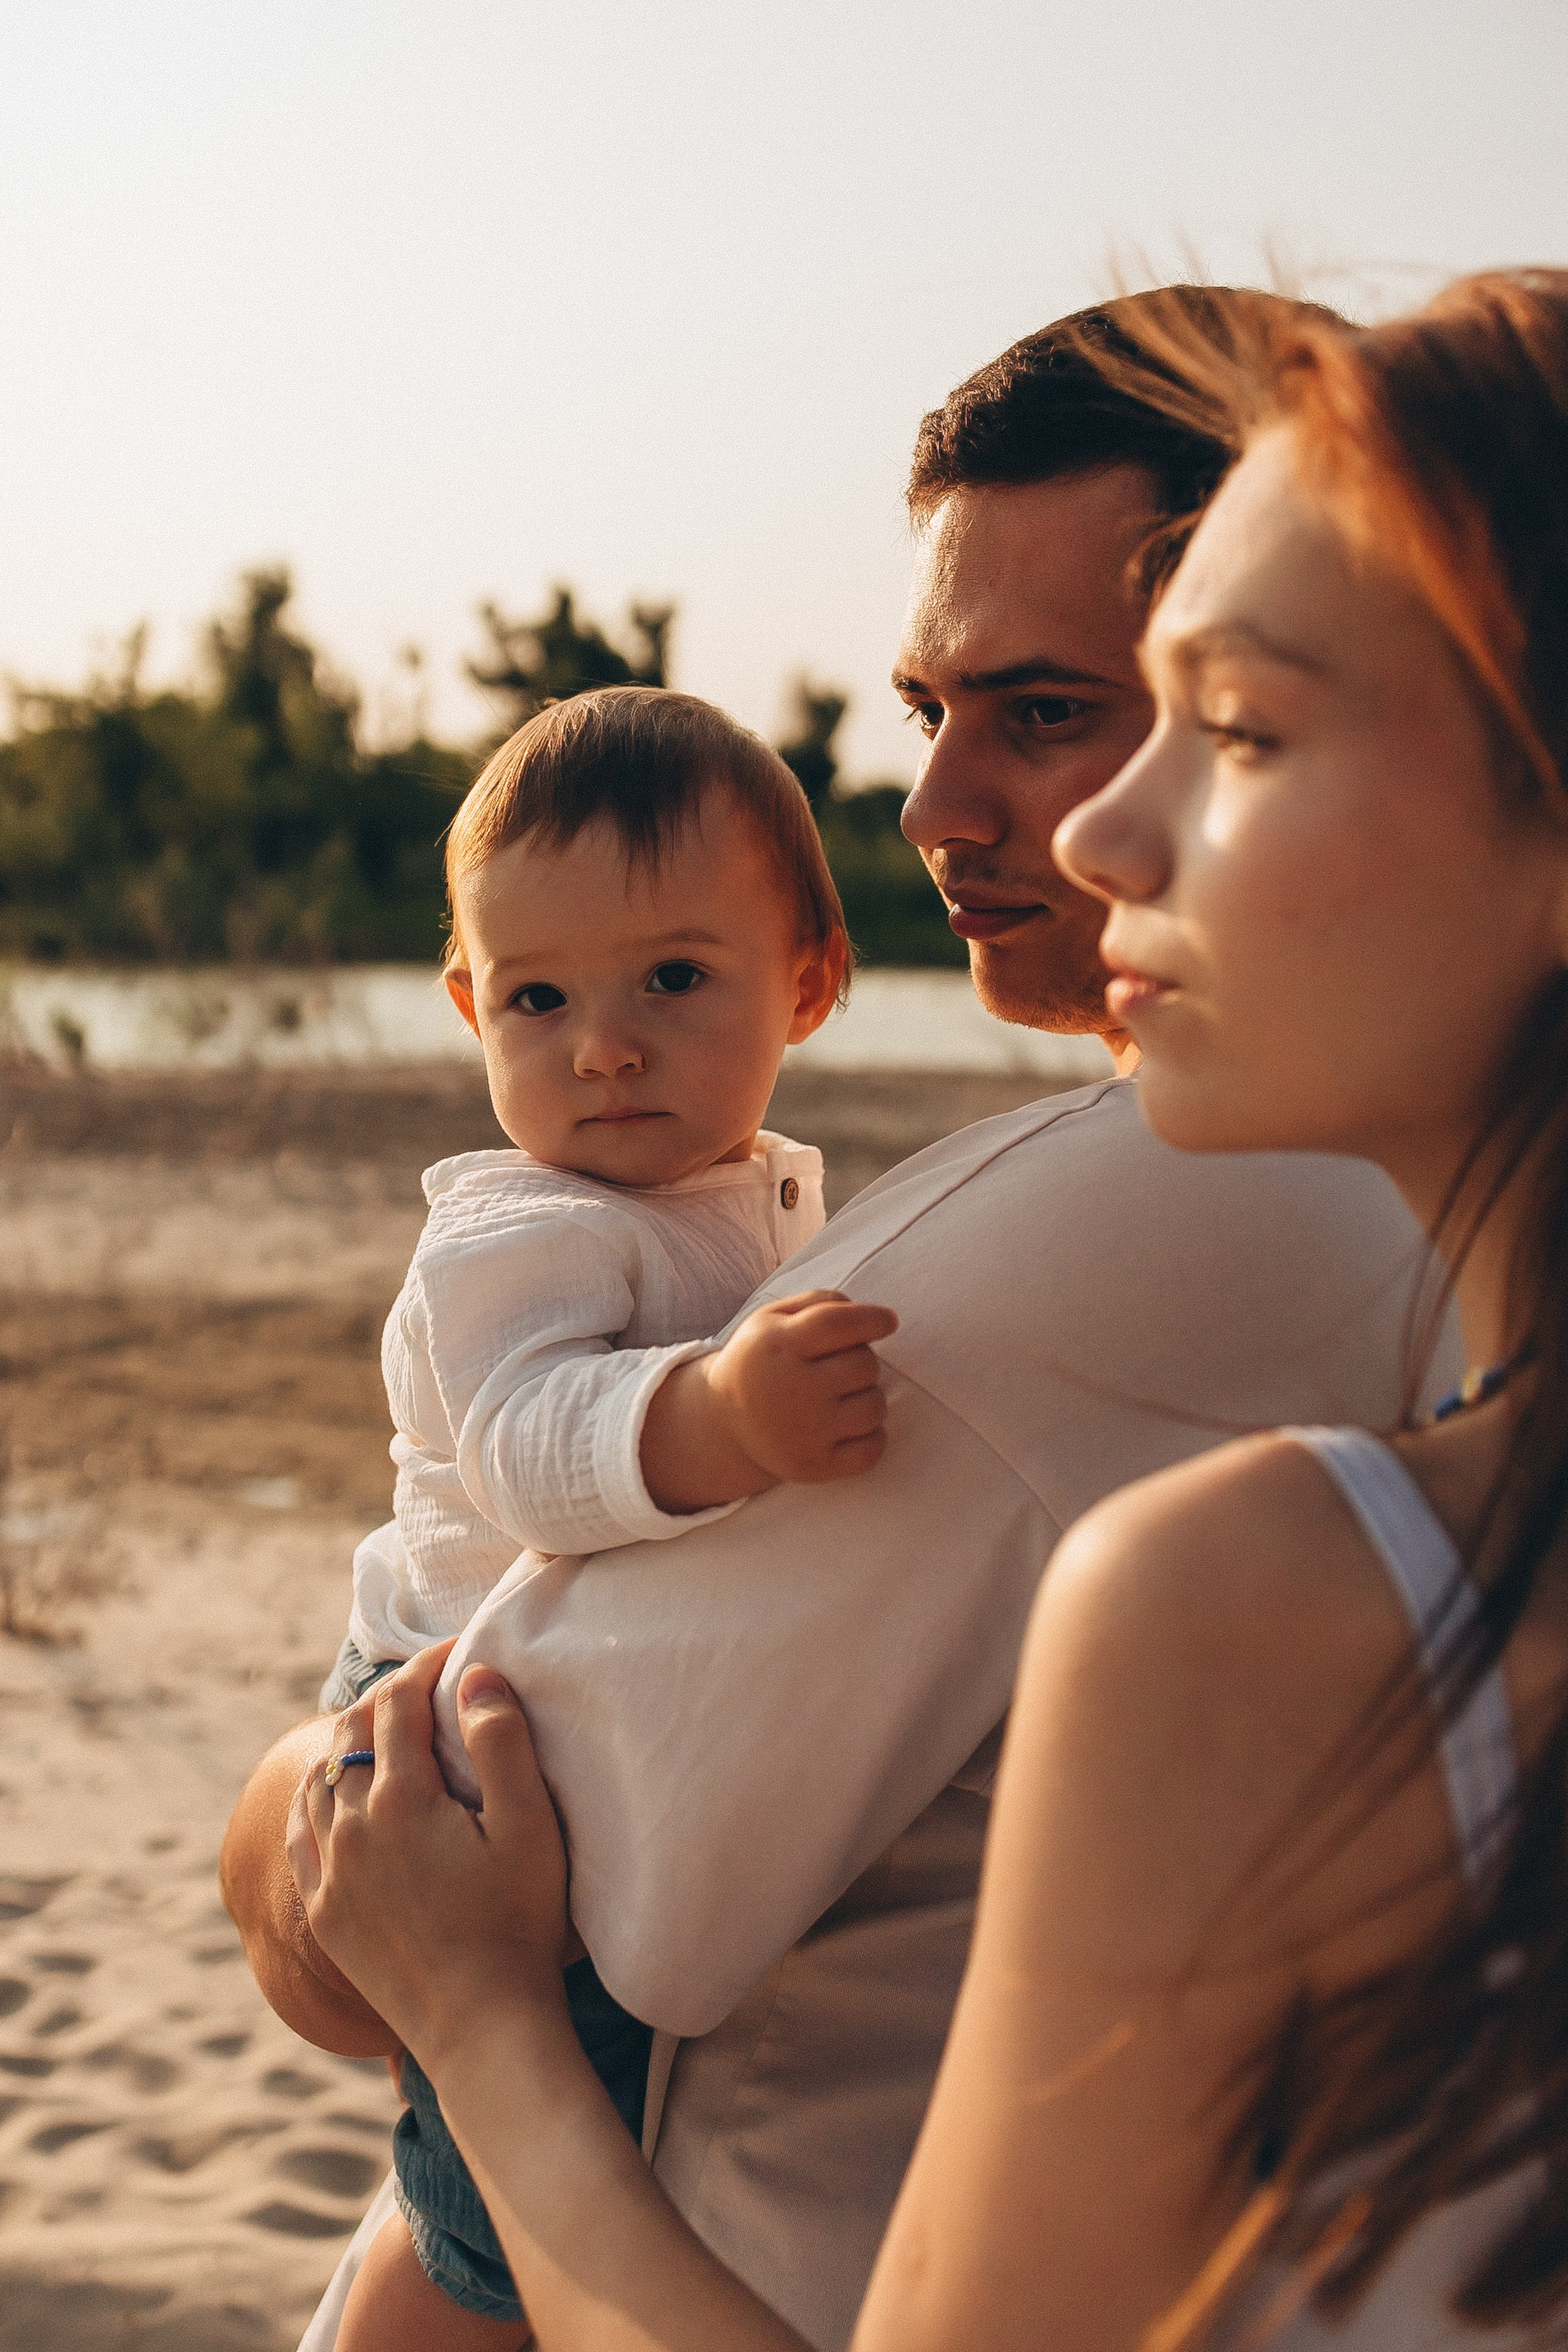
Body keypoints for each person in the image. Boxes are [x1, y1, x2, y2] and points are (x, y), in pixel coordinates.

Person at [290, 264, 1568, 2351]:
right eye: (934, 712)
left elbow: (385, 1898)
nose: (970, 810)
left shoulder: (1186, 1378)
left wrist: (449, 1996)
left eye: (1213, 720)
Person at [318, 684, 899, 2345]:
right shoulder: (522, 1229)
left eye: (674, 979)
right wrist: (713, 1416)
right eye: (538, 998)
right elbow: (521, 1438)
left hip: (572, 1709)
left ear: (811, 979)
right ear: (467, 1006)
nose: (604, 1044)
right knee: (525, 2103)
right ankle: (481, 2290)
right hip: (449, 1712)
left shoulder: (741, 1185)